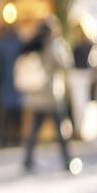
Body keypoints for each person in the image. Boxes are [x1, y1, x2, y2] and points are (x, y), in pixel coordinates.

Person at [20, 17, 77, 174]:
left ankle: (28, 159)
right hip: (52, 95)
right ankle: (67, 159)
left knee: (34, 129)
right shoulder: (53, 46)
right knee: (62, 129)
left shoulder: (33, 45)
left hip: (37, 94)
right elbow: (65, 64)